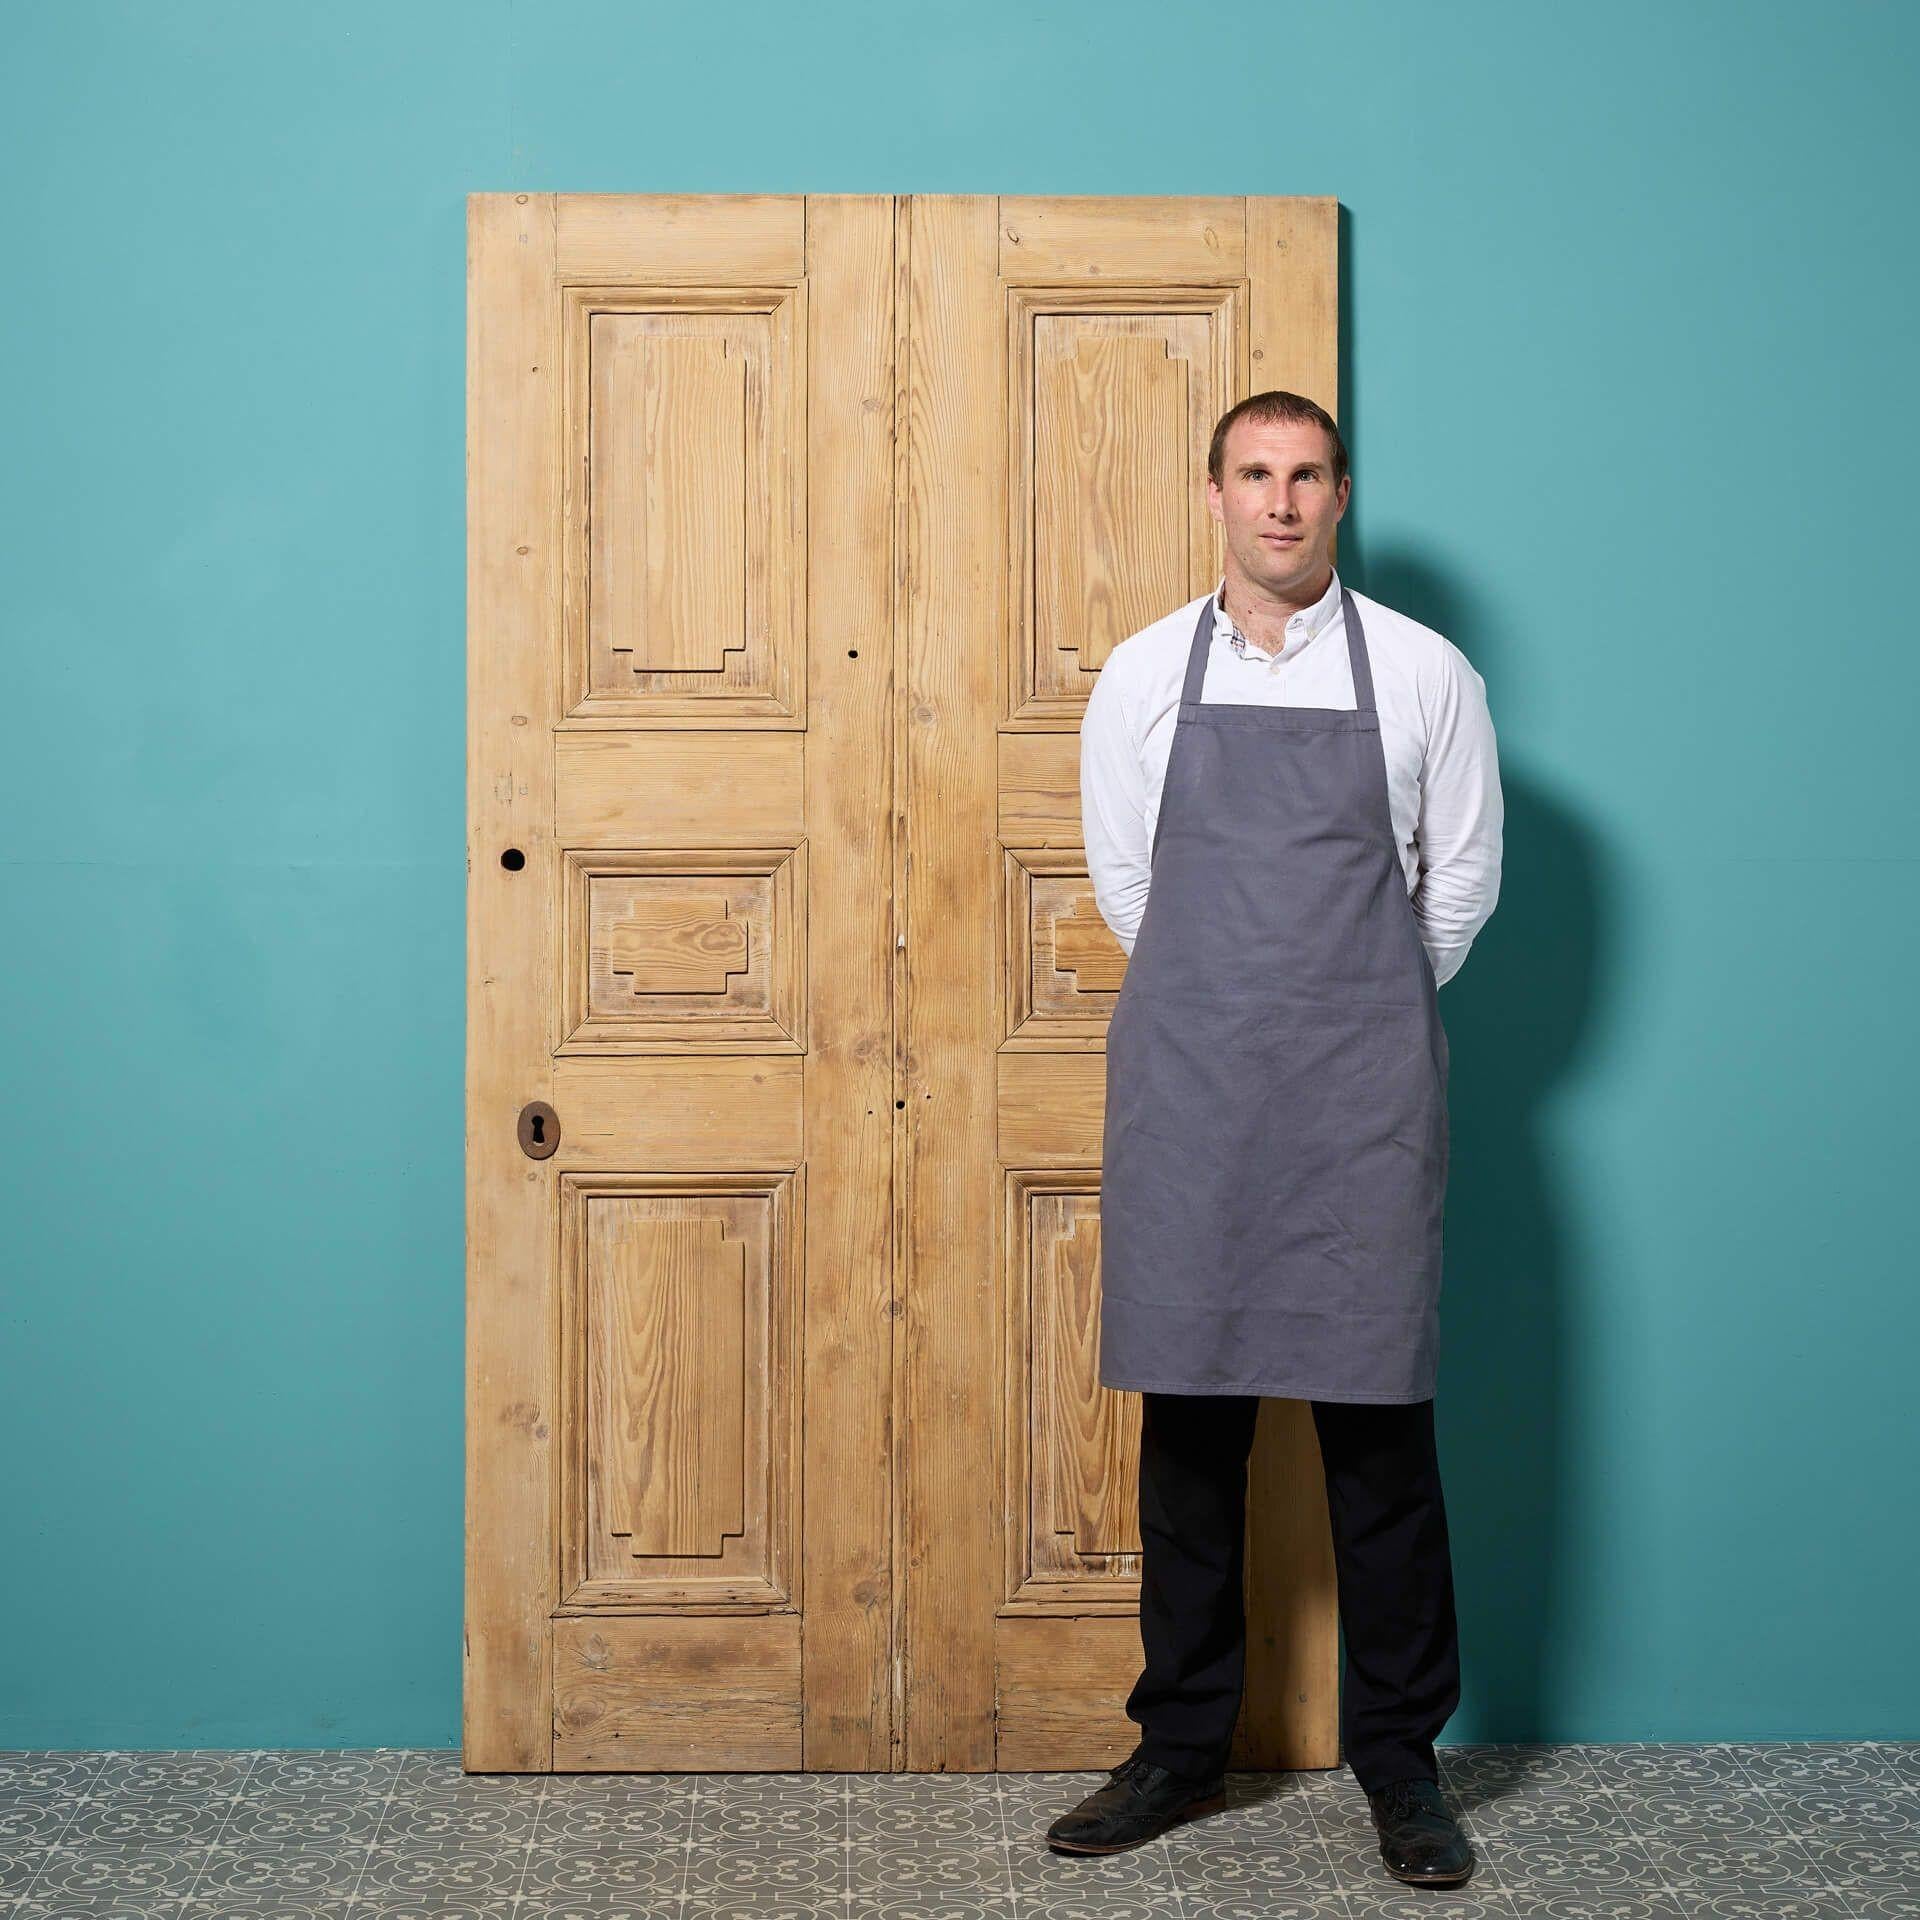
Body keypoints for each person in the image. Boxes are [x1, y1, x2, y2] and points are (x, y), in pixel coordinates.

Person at [1047, 391, 1503, 1889]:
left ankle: (1401, 1765)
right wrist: (1234, 1010)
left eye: (1308, 476)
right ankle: (1180, 1746)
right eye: (1256, 475)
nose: (1282, 502)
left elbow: (1457, 893)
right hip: (1193, 1096)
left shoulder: (1429, 674)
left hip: (1362, 1101)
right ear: (1216, 494)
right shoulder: (1142, 675)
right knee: (1190, 1438)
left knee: (1379, 1444)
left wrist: (1344, 1012)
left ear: (1343, 495)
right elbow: (1133, 888)